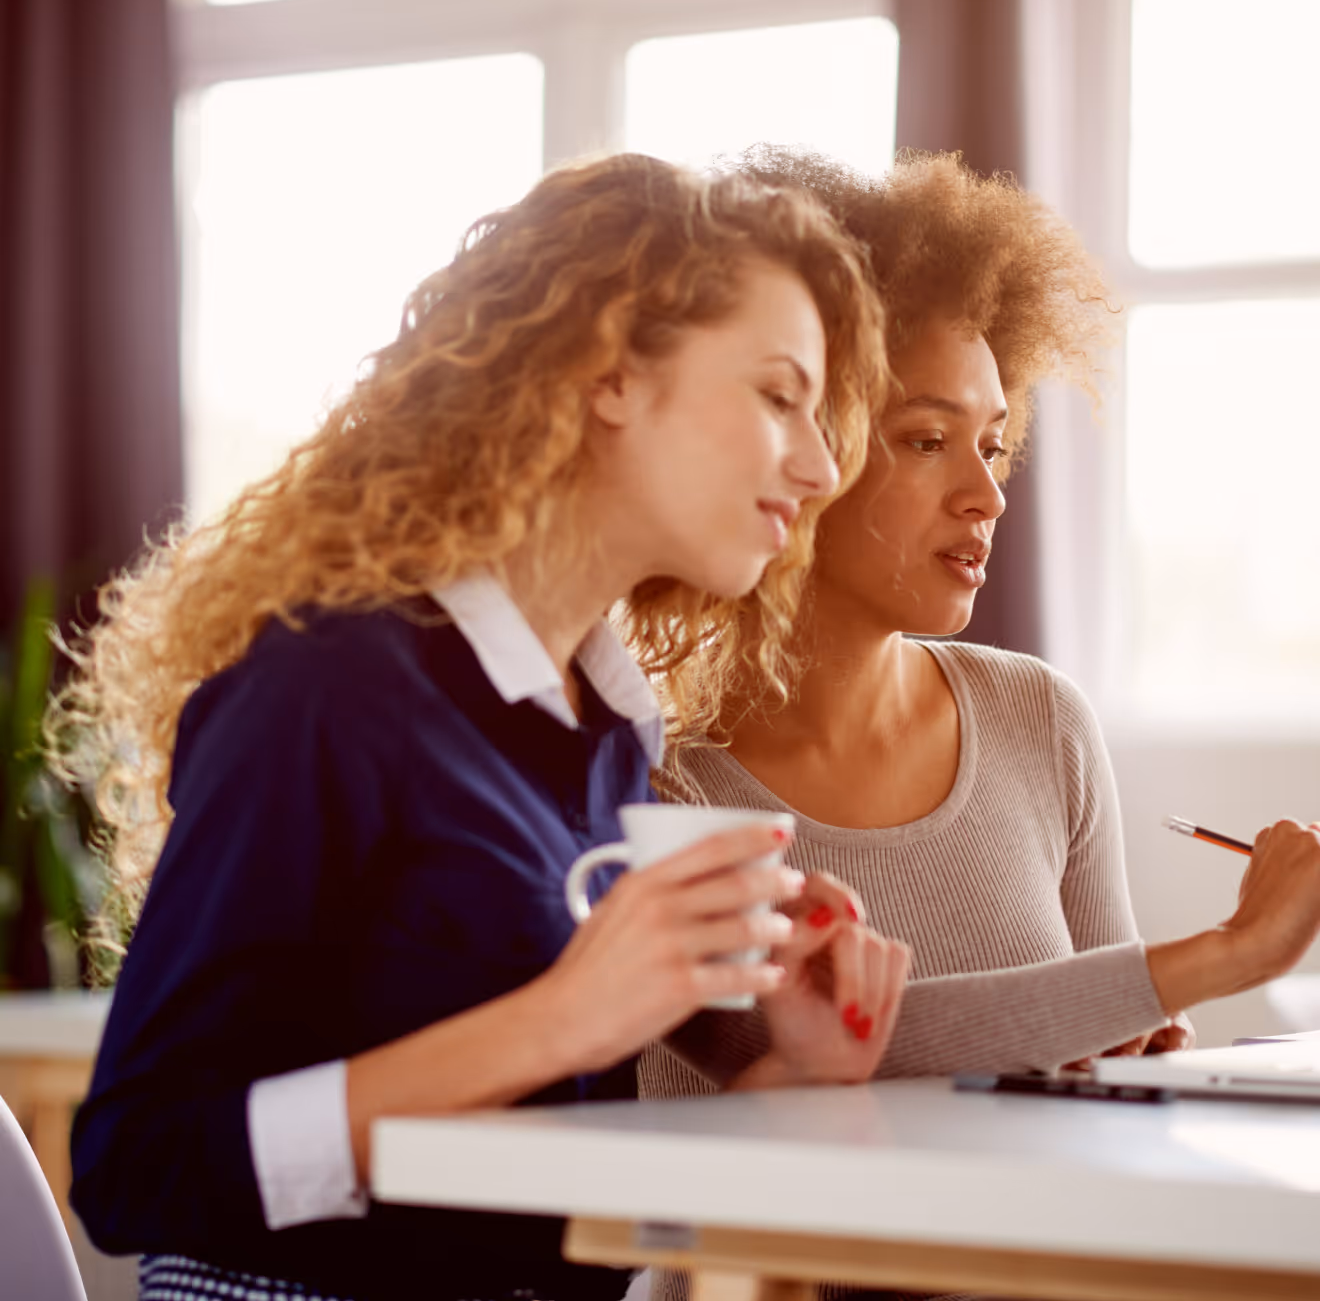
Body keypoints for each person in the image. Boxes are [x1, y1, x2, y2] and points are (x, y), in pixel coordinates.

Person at [50, 153, 912, 1301]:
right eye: (777, 395)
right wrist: (564, 1017)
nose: (823, 466)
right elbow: (138, 1166)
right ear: (611, 373)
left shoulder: (606, 733)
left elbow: (545, 1209)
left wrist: (790, 1076)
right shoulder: (327, 686)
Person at [633, 149, 1320, 1299]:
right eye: (925, 438)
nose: (986, 494)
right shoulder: (661, 778)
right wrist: (1220, 958)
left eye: (993, 443)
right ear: (802, 445)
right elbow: (801, 1049)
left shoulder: (1038, 718)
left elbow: (1101, 1042)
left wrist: (1131, 1043)